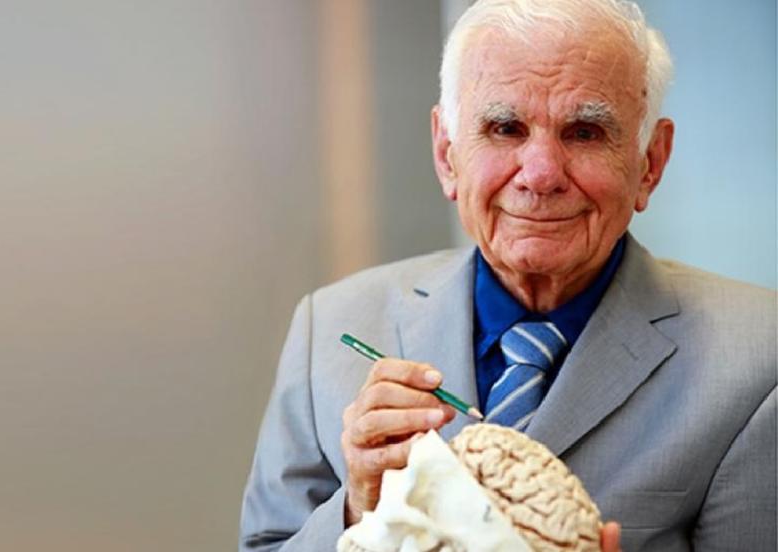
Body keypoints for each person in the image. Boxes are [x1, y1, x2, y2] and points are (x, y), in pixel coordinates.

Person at [240, 0, 777, 550]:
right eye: (504, 127)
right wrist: (358, 511)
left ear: (651, 163)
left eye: (585, 132)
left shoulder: (758, 361)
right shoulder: (330, 327)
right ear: (446, 154)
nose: (541, 174)